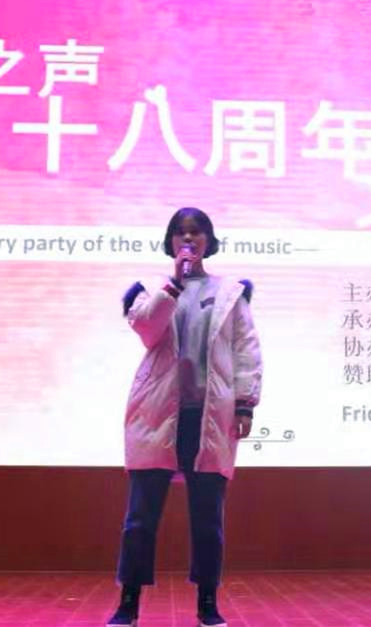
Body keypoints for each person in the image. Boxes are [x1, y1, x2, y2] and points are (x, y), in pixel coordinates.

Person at [107, 207, 263, 627]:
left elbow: (246, 350)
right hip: (157, 415)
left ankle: (207, 603)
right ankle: (128, 603)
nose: (188, 239)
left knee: (208, 518)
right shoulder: (149, 289)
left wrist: (245, 404)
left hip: (209, 416)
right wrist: (174, 285)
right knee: (140, 517)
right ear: (170, 241)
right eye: (180, 233)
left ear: (209, 240)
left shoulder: (231, 292)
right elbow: (146, 330)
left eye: (196, 232)